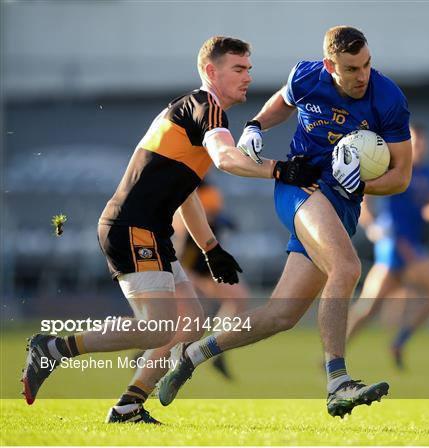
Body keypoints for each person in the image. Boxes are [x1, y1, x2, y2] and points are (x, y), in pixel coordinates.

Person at [21, 36, 320, 424]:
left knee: (190, 322)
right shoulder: (205, 105)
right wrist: (278, 169)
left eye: (249, 68)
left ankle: (129, 405)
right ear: (211, 72)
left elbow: (186, 193)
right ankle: (53, 348)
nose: (248, 76)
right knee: (155, 328)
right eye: (239, 69)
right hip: (131, 226)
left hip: (151, 231)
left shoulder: (195, 111)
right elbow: (227, 157)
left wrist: (210, 248)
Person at [158, 26, 413, 418]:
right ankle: (338, 382)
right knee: (346, 267)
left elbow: (401, 176)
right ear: (330, 66)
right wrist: (257, 125)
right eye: (351, 68)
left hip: (342, 205)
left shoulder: (389, 98)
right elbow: (282, 101)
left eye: (366, 65)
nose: (362, 75)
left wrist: (363, 181)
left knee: (281, 315)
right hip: (300, 187)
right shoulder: (308, 76)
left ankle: (194, 353)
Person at [346, 123, 429, 369]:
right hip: (396, 244)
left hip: (409, 244)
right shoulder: (390, 167)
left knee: (368, 308)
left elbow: (427, 208)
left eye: (421, 143)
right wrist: (373, 226)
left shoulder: (427, 173)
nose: (418, 147)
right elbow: (364, 199)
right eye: (414, 142)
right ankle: (395, 342)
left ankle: (335, 354)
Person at [172, 181, 250, 379]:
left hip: (205, 262)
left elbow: (211, 218)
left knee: (238, 299)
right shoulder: (187, 186)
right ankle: (149, 355)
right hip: (189, 263)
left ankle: (215, 348)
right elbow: (185, 233)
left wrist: (220, 219)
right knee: (192, 320)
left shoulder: (208, 188)